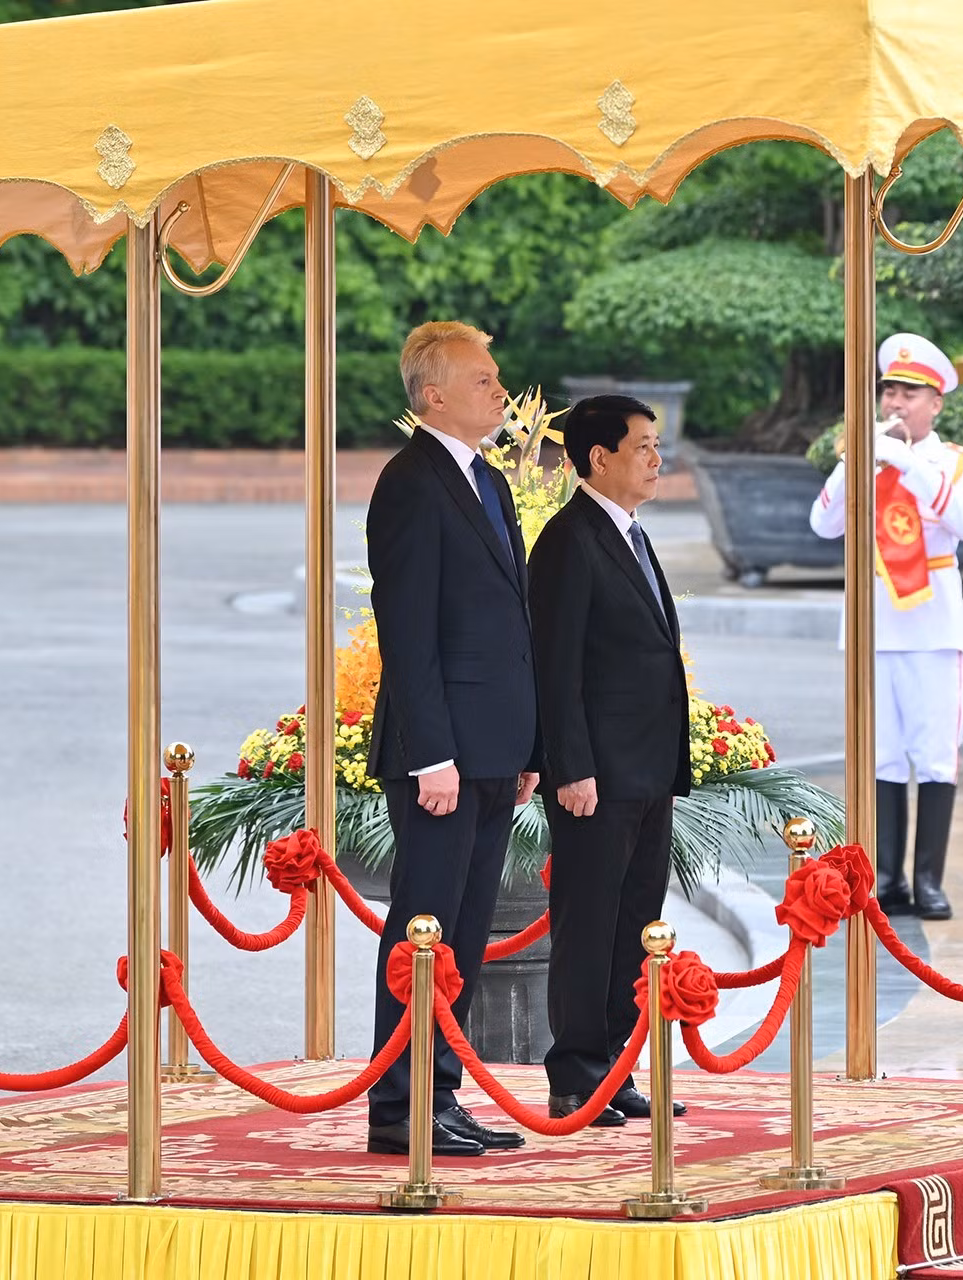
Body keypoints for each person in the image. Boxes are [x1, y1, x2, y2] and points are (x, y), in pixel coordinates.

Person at [365, 321, 538, 1158]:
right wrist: (432, 752)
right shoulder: (410, 482)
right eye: (481, 380)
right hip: (439, 753)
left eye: (497, 378)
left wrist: (525, 745)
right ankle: (398, 1108)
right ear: (433, 395)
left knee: (464, 933)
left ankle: (442, 1096)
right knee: (423, 930)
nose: (498, 392)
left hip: (492, 747)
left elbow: (511, 622)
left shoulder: (489, 482)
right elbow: (406, 630)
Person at [531, 394, 690, 1126]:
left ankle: (617, 1066)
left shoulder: (631, 534)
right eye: (645, 447)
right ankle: (576, 1072)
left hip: (647, 769)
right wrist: (570, 767)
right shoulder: (570, 539)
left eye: (659, 446)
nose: (658, 460)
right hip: (596, 773)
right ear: (599, 458)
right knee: (588, 923)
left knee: (635, 922)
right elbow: (554, 666)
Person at [809, 334, 963, 919]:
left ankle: (929, 878)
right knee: (881, 755)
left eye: (910, 394)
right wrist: (854, 459)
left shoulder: (956, 461)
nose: (896, 403)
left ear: (936, 404)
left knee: (934, 754)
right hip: (873, 623)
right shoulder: (867, 455)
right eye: (890, 391)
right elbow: (823, 525)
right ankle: (887, 875)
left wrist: (907, 463)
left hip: (931, 623)